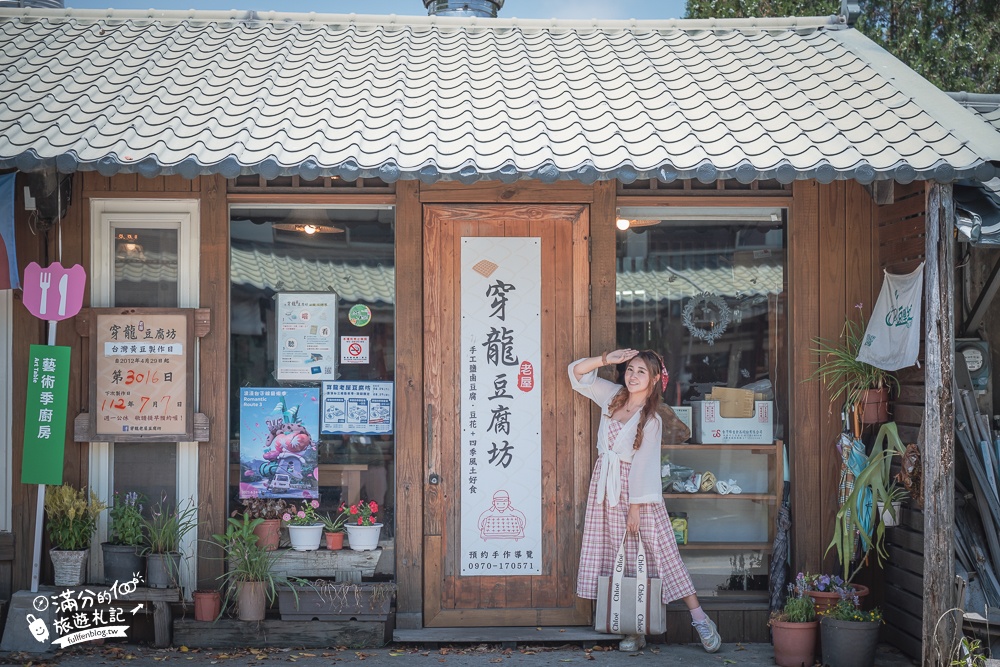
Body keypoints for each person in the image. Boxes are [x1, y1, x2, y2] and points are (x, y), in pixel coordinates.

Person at [569, 348, 722, 653]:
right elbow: (576, 374)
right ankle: (634, 628)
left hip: (638, 493)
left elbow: (644, 465)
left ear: (654, 380)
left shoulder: (651, 418)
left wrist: (635, 508)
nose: (633, 376)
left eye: (641, 372)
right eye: (630, 369)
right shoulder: (613, 396)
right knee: (617, 555)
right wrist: (605, 360)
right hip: (606, 487)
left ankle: (700, 618)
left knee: (662, 553)